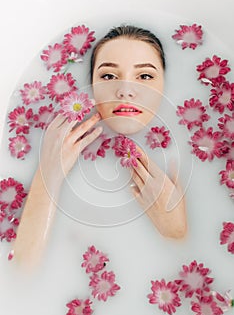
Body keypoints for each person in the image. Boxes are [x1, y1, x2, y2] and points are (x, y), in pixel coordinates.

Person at [13, 25, 187, 270]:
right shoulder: (54, 145)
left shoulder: (188, 156)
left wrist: (176, 230)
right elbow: (20, 281)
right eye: (108, 76)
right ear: (91, 85)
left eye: (145, 76)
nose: (126, 90)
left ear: (165, 85)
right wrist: (48, 174)